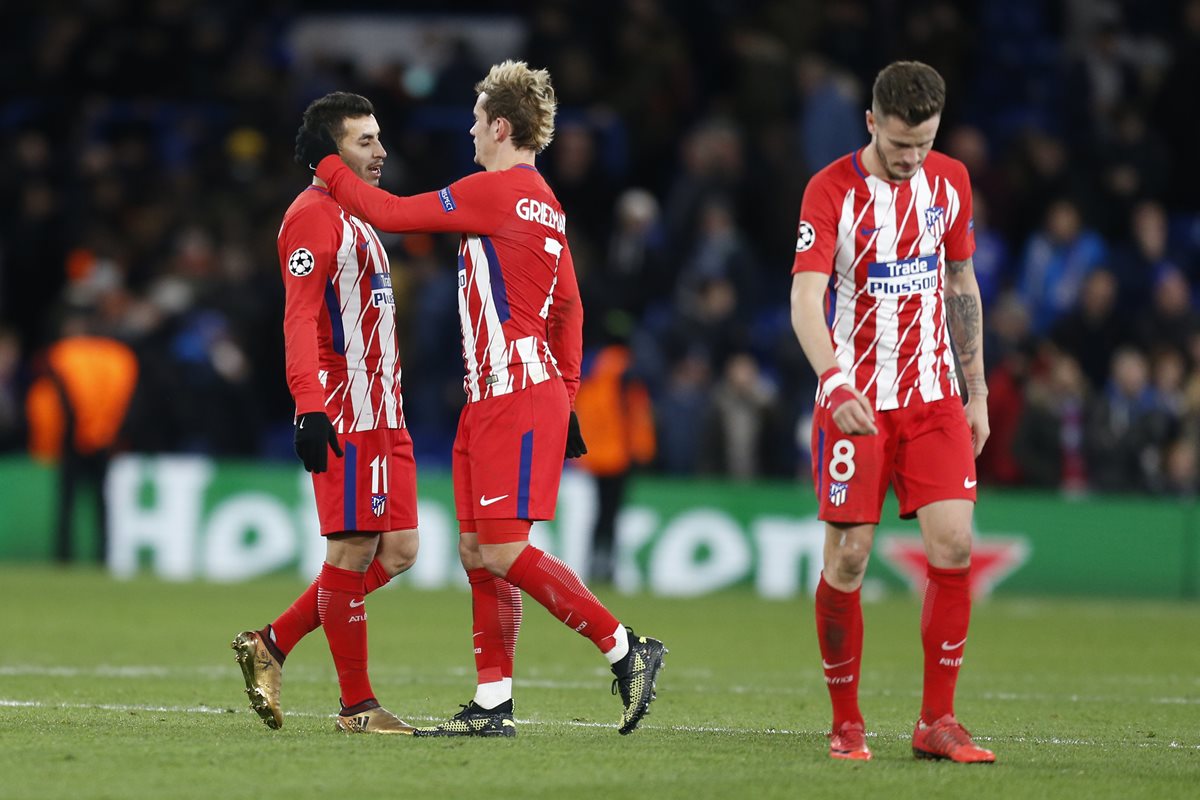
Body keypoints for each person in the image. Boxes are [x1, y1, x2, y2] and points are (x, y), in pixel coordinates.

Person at [298, 60, 667, 737]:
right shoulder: (547, 203)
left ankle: (625, 646)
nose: (469, 132)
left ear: (500, 126)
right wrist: (570, 397)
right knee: (476, 551)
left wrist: (329, 168)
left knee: (500, 551)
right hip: (506, 394)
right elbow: (572, 311)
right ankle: (493, 701)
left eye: (475, 121)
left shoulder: (496, 191)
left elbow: (390, 213)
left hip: (513, 394)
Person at [788, 61, 995, 763]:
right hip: (858, 405)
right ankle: (846, 721)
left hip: (934, 398)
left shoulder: (952, 182)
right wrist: (835, 382)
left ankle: (938, 721)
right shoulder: (830, 191)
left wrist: (978, 390)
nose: (912, 159)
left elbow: (960, 281)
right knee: (848, 559)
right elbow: (804, 300)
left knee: (956, 548)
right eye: (901, 143)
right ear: (871, 123)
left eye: (925, 143)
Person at [230, 92, 420, 735]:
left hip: (388, 412)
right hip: (349, 412)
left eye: (379, 138)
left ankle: (273, 642)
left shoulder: (358, 216)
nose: (380, 150)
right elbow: (300, 318)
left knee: (397, 552)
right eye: (364, 140)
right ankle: (358, 708)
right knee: (352, 551)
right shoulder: (312, 216)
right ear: (329, 151)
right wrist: (310, 408)